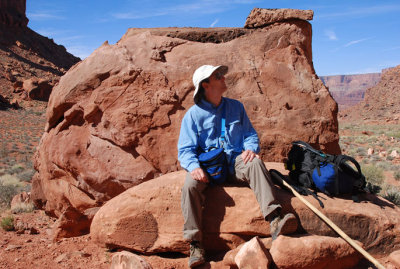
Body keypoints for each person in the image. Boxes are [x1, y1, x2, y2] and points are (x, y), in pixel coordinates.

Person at [178, 65, 298, 268]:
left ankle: (275, 218)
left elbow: (250, 134)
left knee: (255, 163)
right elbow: (185, 150)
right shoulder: (193, 115)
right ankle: (196, 244)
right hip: (208, 167)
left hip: (234, 161)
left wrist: (251, 148)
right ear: (205, 85)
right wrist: (194, 167)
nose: (223, 77)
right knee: (189, 186)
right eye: (217, 76)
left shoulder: (236, 107)